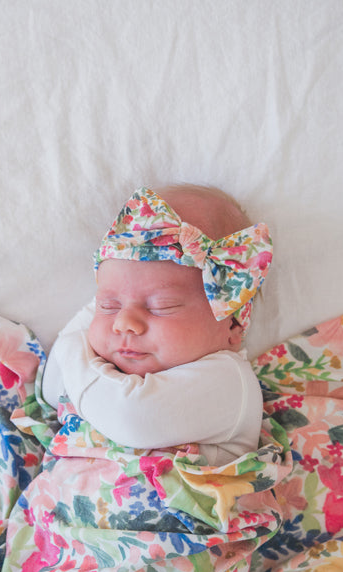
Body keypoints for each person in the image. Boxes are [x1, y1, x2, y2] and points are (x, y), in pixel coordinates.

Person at [42, 185, 272, 467]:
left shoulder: (228, 380)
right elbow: (52, 392)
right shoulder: (103, 366)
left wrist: (71, 345)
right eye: (107, 305)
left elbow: (130, 416)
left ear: (233, 324)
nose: (124, 323)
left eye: (161, 306)